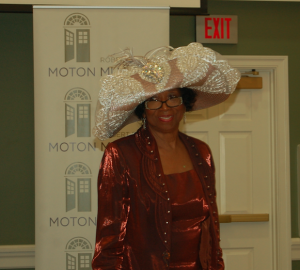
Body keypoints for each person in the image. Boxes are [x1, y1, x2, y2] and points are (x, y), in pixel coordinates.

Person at [92, 43, 240, 270]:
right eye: (153, 100)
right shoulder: (121, 154)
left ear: (185, 104)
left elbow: (212, 229)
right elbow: (109, 236)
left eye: (173, 97)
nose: (164, 108)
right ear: (142, 108)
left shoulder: (201, 152)